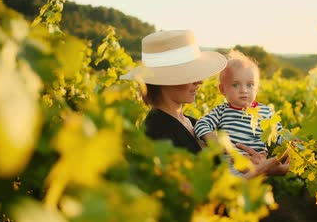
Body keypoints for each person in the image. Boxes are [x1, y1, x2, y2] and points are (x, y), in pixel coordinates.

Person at [120, 30, 288, 178]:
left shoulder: (191, 122)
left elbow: (222, 170)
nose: (199, 81)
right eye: (189, 74)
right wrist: (261, 171)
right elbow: (194, 198)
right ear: (165, 80)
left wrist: (259, 165)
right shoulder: (156, 133)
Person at [194, 50, 288, 176]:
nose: (243, 90)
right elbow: (200, 124)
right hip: (228, 172)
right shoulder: (221, 111)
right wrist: (217, 143)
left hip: (257, 171)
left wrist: (293, 144)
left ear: (257, 88)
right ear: (222, 89)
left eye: (250, 85)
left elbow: (279, 135)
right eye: (235, 85)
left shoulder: (265, 112)